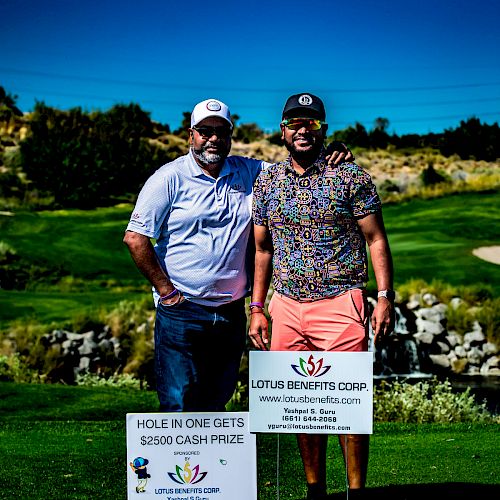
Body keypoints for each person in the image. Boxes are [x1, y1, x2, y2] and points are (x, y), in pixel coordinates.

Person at [123, 98, 353, 412]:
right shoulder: (168, 178)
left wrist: (329, 152)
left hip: (230, 312)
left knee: (218, 400)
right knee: (178, 402)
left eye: (221, 131)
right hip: (182, 310)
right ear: (191, 135)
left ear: (231, 135)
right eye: (205, 131)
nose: (213, 138)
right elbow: (135, 238)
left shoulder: (252, 172)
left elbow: (299, 166)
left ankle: (209, 463)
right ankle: (181, 464)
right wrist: (167, 293)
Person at [248, 93, 395, 500]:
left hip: (340, 301)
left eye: (311, 123)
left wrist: (384, 297)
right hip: (286, 305)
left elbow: (375, 239)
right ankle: (315, 491)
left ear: (323, 130)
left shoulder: (351, 176)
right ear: (282, 131)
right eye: (294, 123)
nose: (302, 130)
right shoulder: (267, 181)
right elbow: (262, 250)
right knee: (300, 406)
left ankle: (356, 492)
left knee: (348, 404)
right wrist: (257, 308)